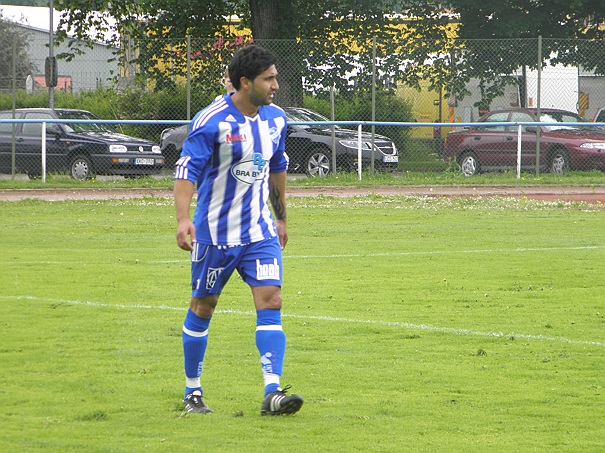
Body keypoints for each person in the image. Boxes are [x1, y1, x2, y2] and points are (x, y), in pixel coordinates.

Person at [173, 45, 303, 416]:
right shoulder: (211, 121)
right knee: (203, 306)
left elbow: (277, 167)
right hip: (215, 234)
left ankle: (272, 392)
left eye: (275, 77)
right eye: (269, 79)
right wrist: (183, 219)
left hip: (259, 232)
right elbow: (187, 171)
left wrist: (281, 217)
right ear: (245, 82)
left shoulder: (276, 119)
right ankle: (193, 392)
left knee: (271, 300)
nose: (276, 85)